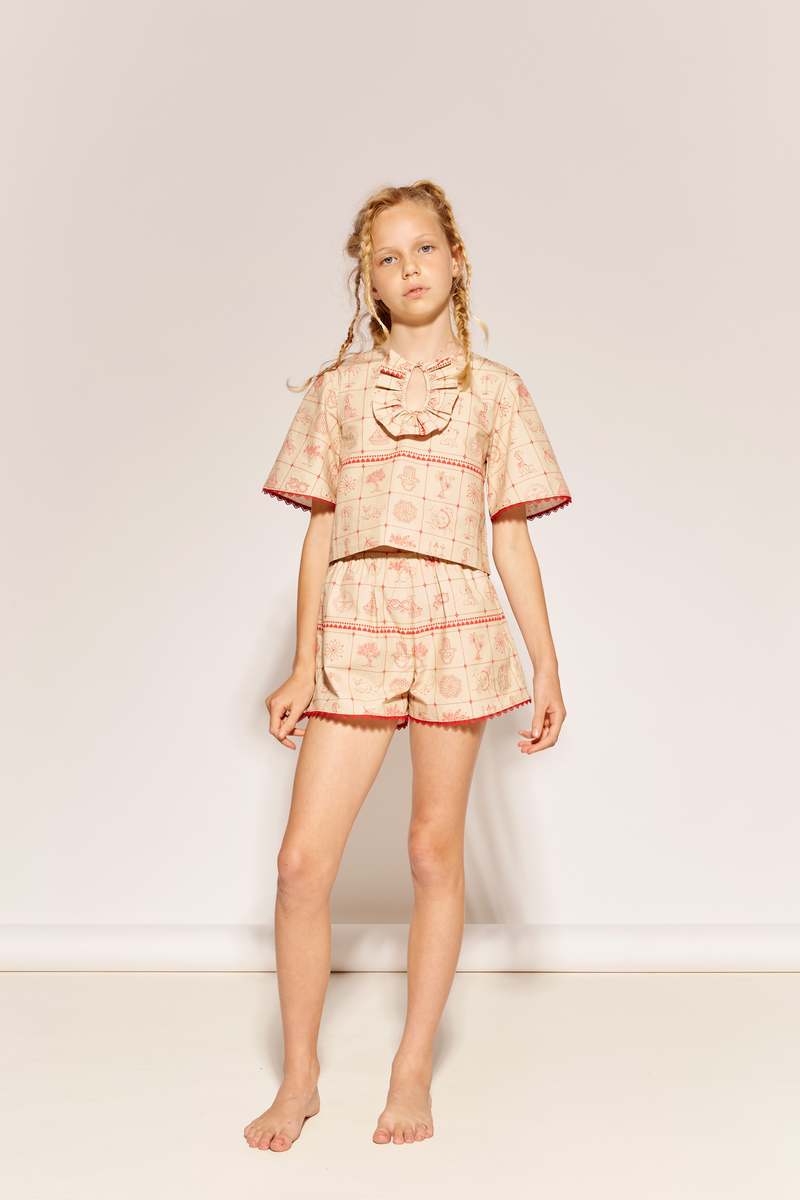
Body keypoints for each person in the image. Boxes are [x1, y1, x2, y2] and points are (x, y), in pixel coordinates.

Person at [244, 180, 573, 1152]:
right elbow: (319, 531)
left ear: (456, 260)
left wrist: (546, 666)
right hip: (355, 621)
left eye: (423, 248)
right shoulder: (338, 391)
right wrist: (302, 662)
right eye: (386, 257)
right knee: (301, 863)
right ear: (369, 281)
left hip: (455, 621)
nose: (408, 268)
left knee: (433, 852)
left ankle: (412, 1065)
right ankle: (300, 1076)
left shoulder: (497, 391)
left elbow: (510, 536)